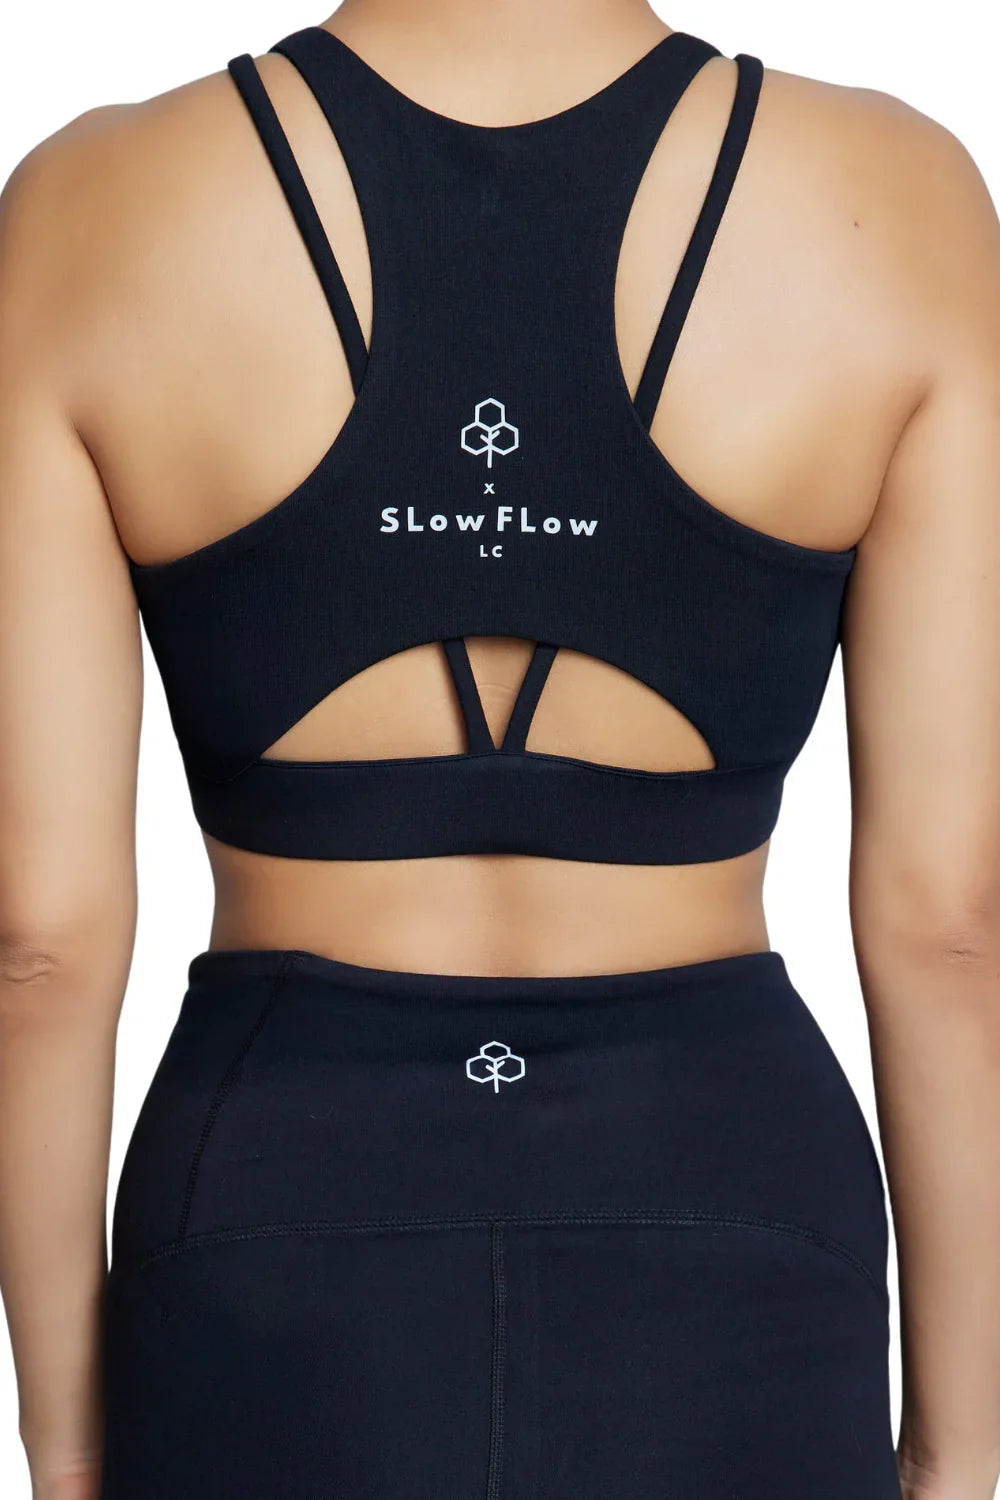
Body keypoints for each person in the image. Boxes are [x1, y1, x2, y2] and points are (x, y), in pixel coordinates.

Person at [2, 0, 999, 1496]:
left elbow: (38, 943)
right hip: (735, 1219)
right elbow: (952, 926)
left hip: (271, 1226)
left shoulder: (93, 205)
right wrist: (963, 1452)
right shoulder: (898, 199)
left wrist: (69, 1446)